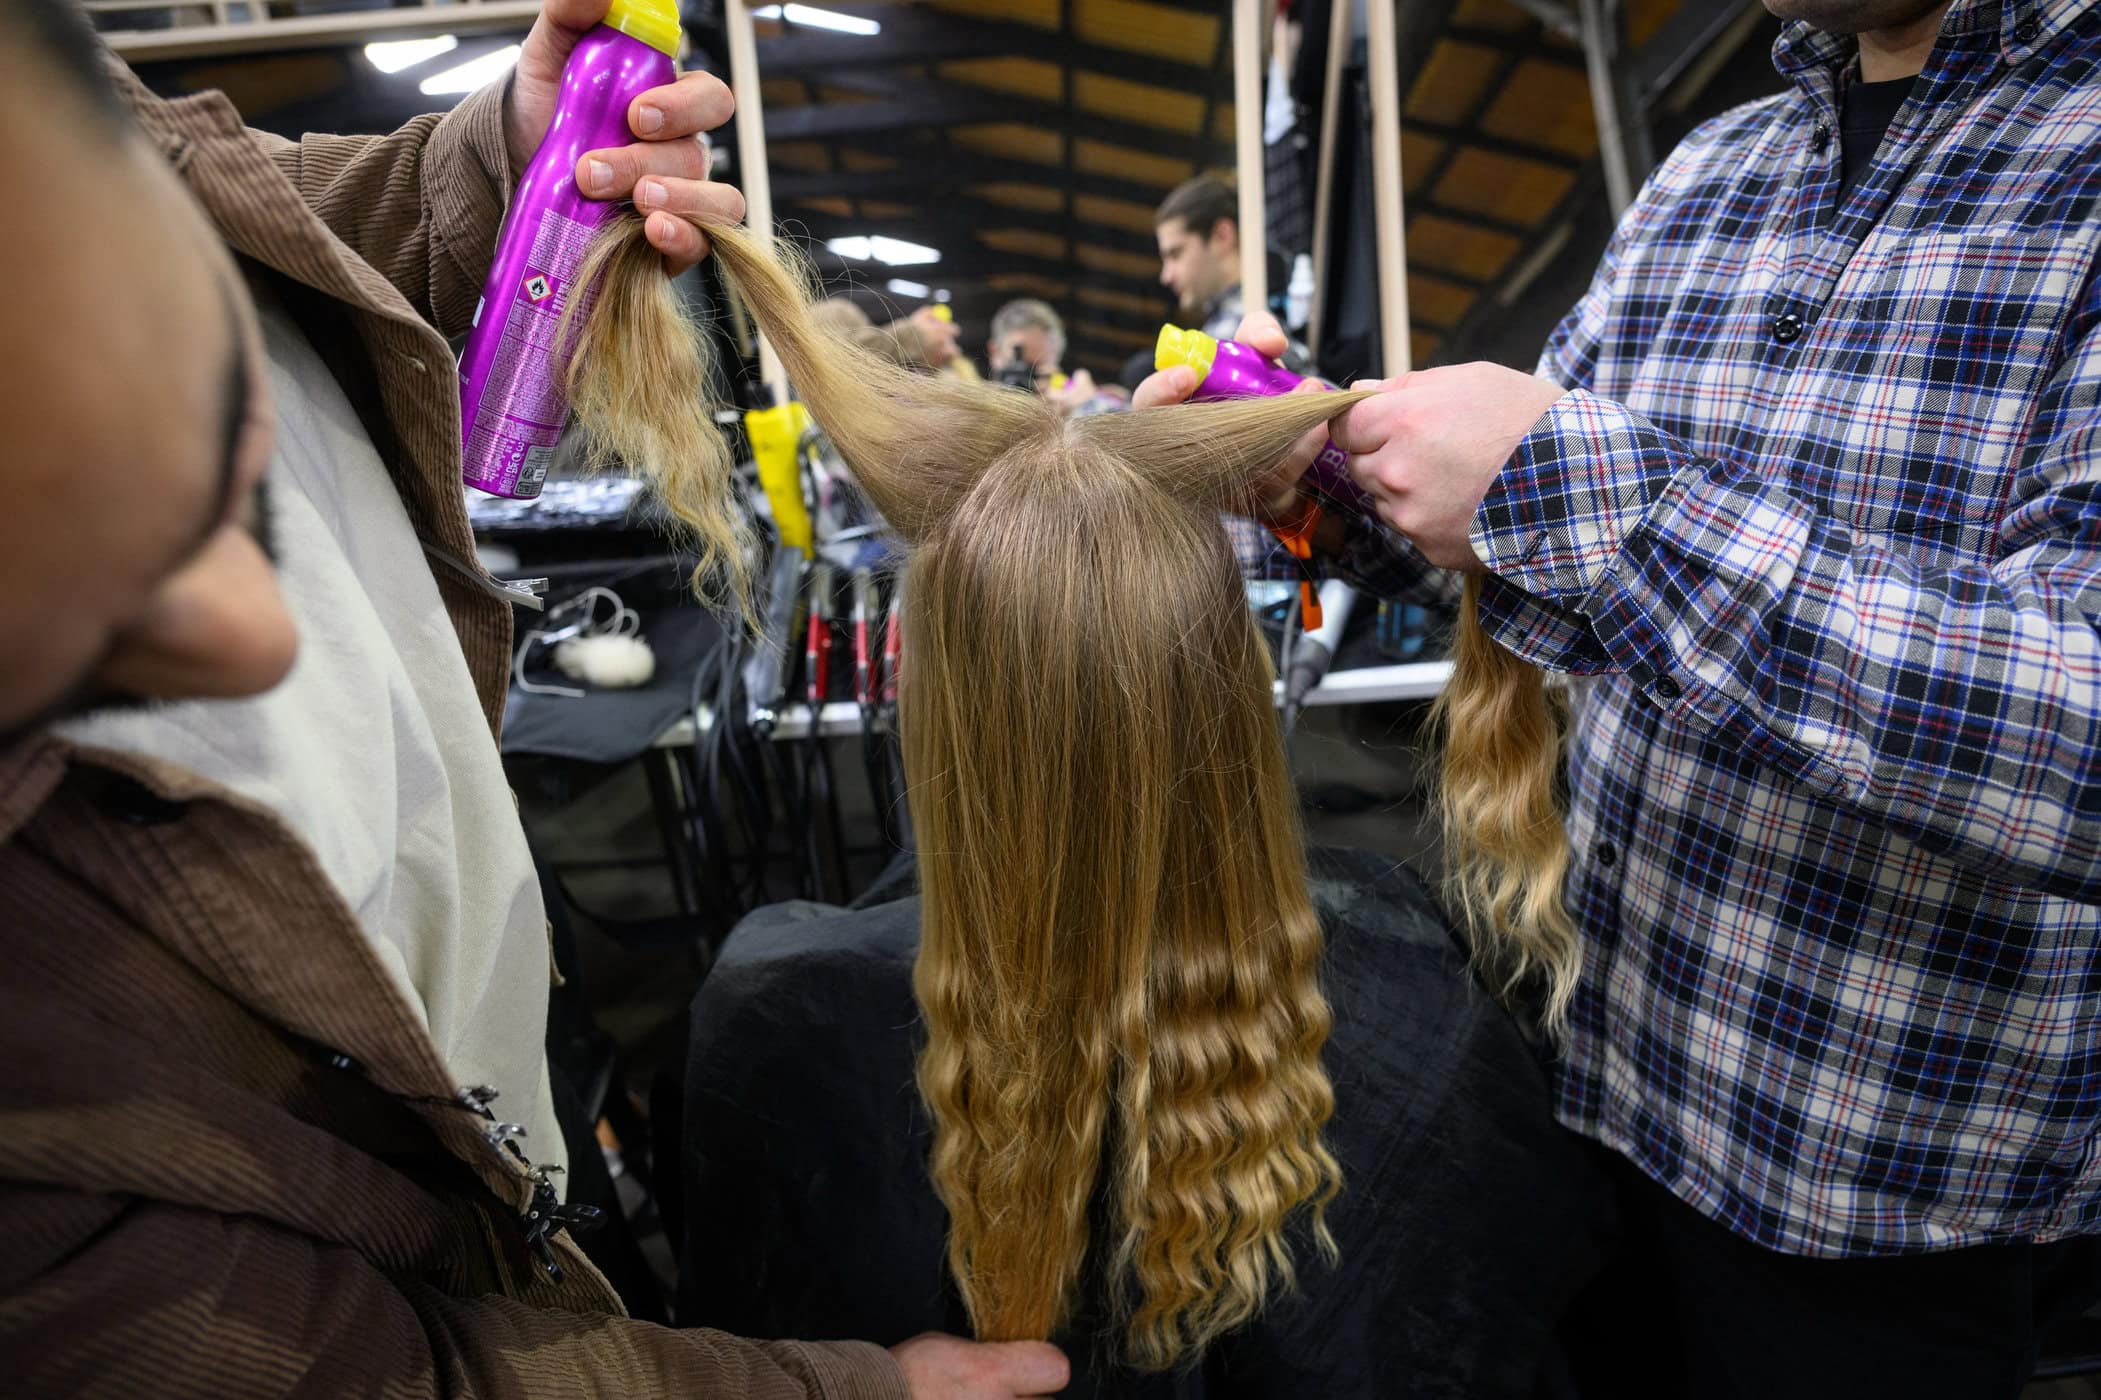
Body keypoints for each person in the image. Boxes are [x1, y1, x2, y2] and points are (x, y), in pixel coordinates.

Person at [0, 1, 1063, 1395]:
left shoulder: (79, 137)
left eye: (225, 464)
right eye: (81, 642)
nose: (263, 638)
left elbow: (245, 208)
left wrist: (498, 167)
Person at [1145, 0, 2101, 1392]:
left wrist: (1585, 499)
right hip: (1598, 1062)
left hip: (1866, 1186)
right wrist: (1330, 497)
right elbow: (1539, 557)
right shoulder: (1711, 172)